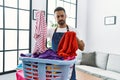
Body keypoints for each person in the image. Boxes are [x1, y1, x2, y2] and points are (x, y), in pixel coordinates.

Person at [47, 7, 85, 80]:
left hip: (69, 64)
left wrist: (73, 36)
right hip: (55, 64)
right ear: (55, 18)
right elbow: (38, 37)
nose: (60, 18)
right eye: (58, 16)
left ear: (66, 16)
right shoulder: (51, 31)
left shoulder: (73, 30)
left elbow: (82, 48)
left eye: (62, 16)